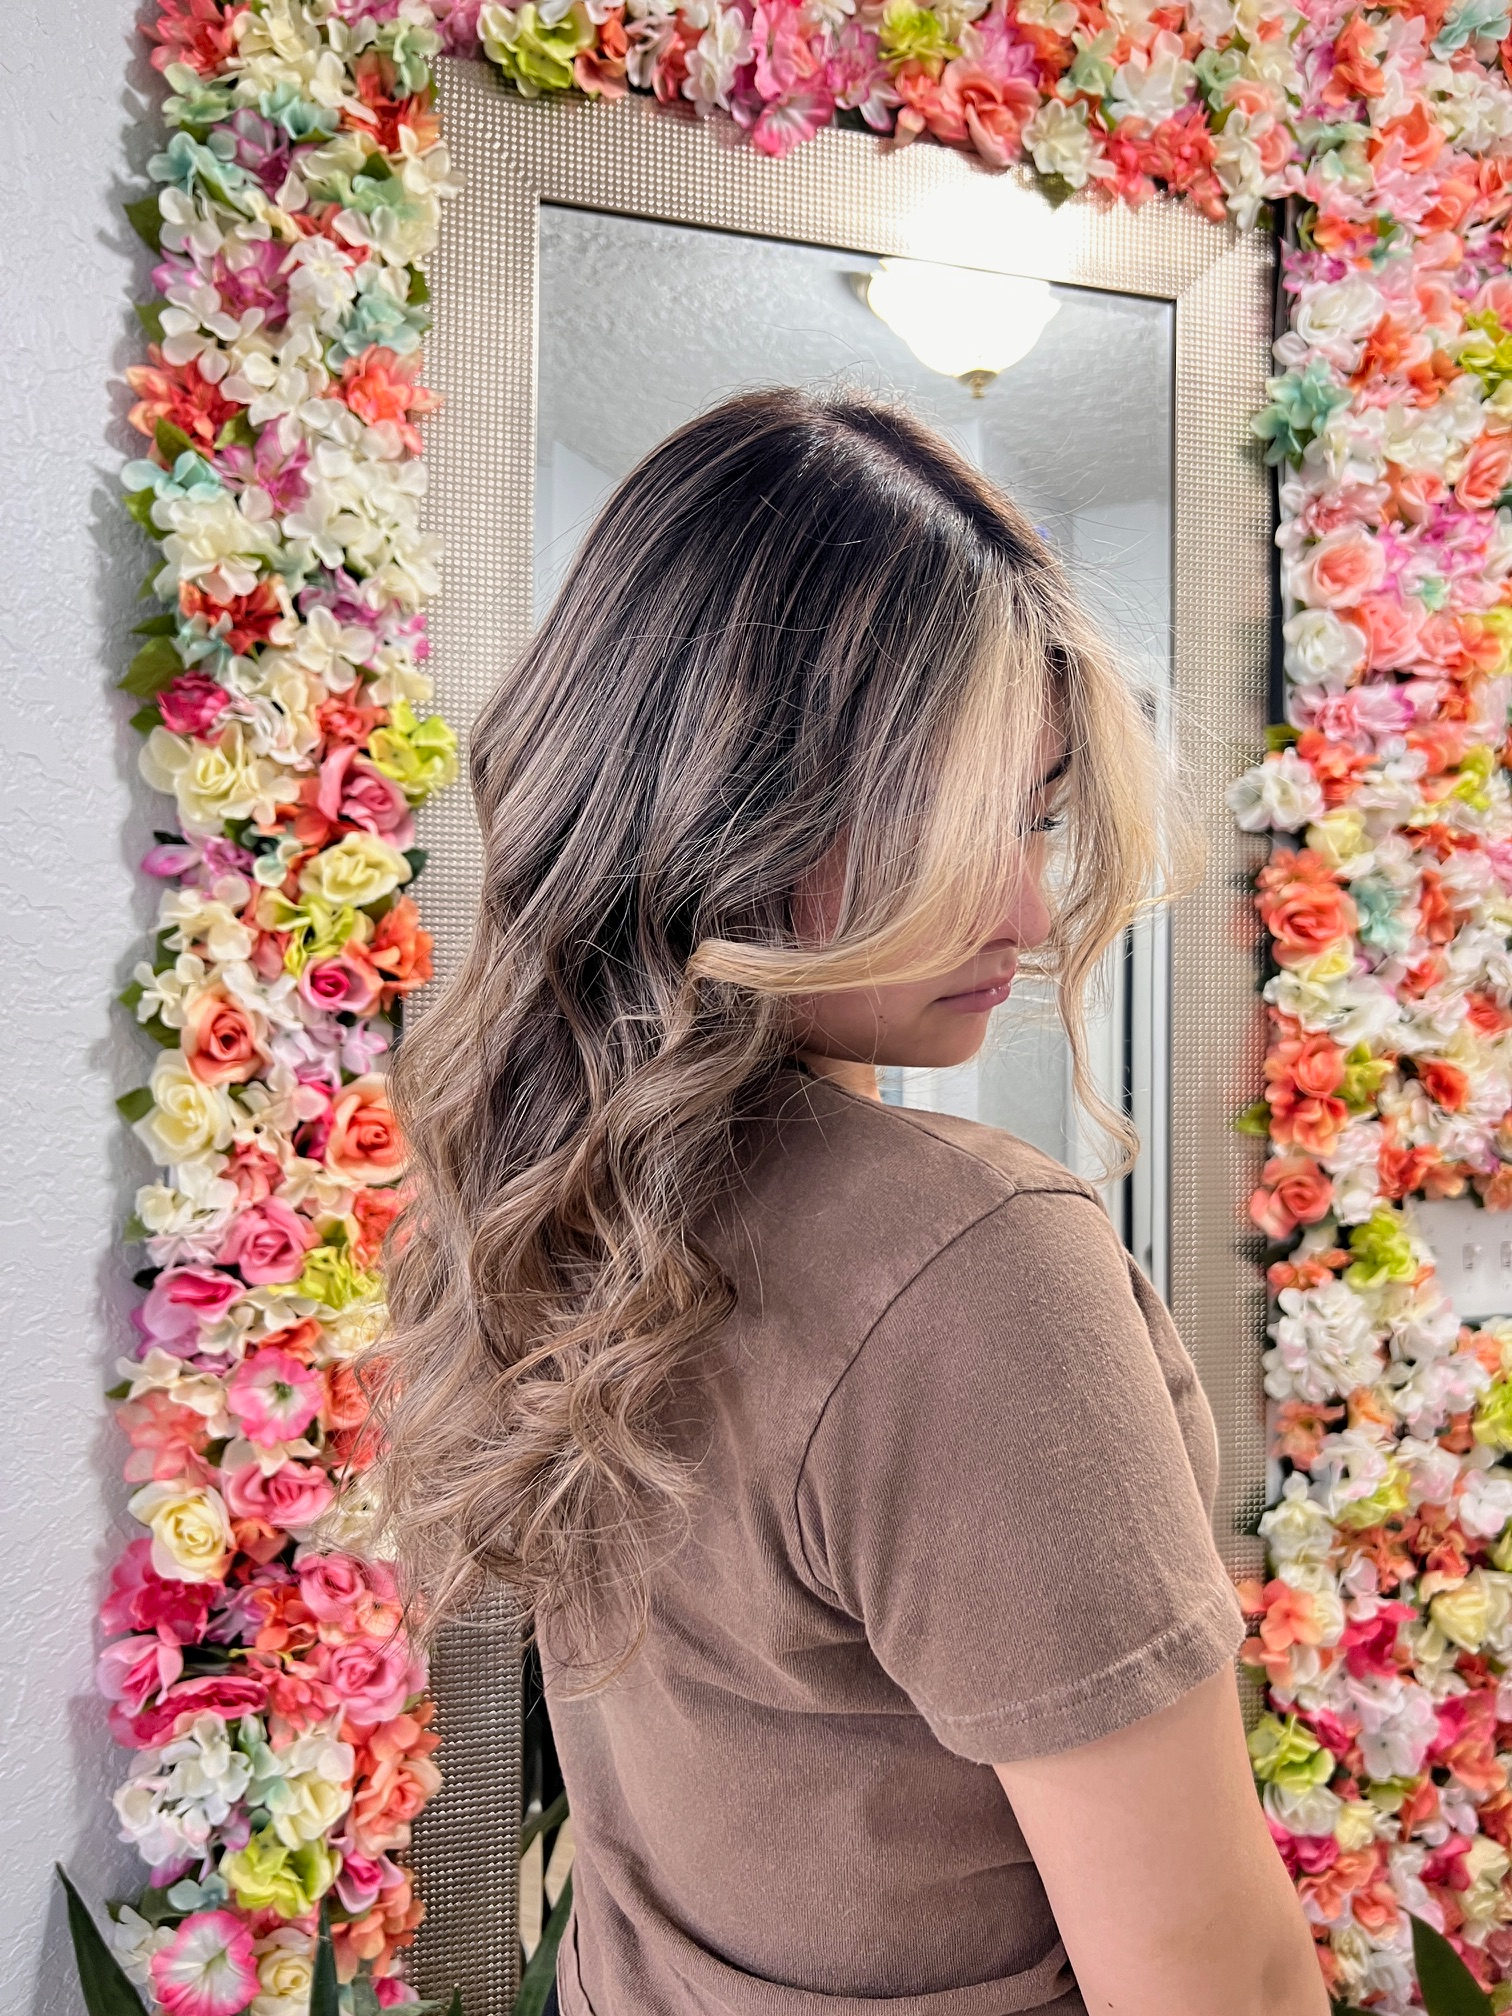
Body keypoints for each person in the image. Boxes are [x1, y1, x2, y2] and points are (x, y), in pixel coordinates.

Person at [367, 390, 1327, 2016]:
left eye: (1031, 818)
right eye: (943, 818)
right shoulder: (971, 1268)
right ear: (723, 800)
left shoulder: (563, 1202)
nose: (1027, 905)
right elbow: (1214, 1982)